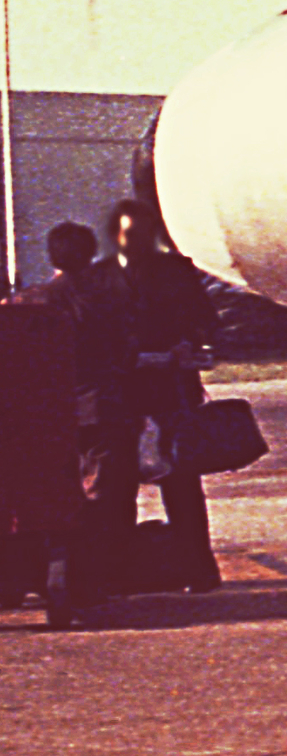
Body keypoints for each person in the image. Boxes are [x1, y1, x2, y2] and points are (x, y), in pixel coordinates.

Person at [109, 200, 223, 591]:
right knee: (118, 486)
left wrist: (190, 345)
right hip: (122, 394)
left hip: (172, 390)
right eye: (130, 234)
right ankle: (119, 571)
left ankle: (199, 569)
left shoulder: (178, 272)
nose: (138, 242)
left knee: (182, 483)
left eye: (145, 234)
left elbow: (208, 323)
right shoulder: (102, 278)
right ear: (116, 236)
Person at [29, 222, 139, 590]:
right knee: (109, 491)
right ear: (91, 253)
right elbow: (128, 350)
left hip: (50, 412)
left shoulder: (35, 301)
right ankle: (106, 573)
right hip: (106, 404)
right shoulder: (113, 298)